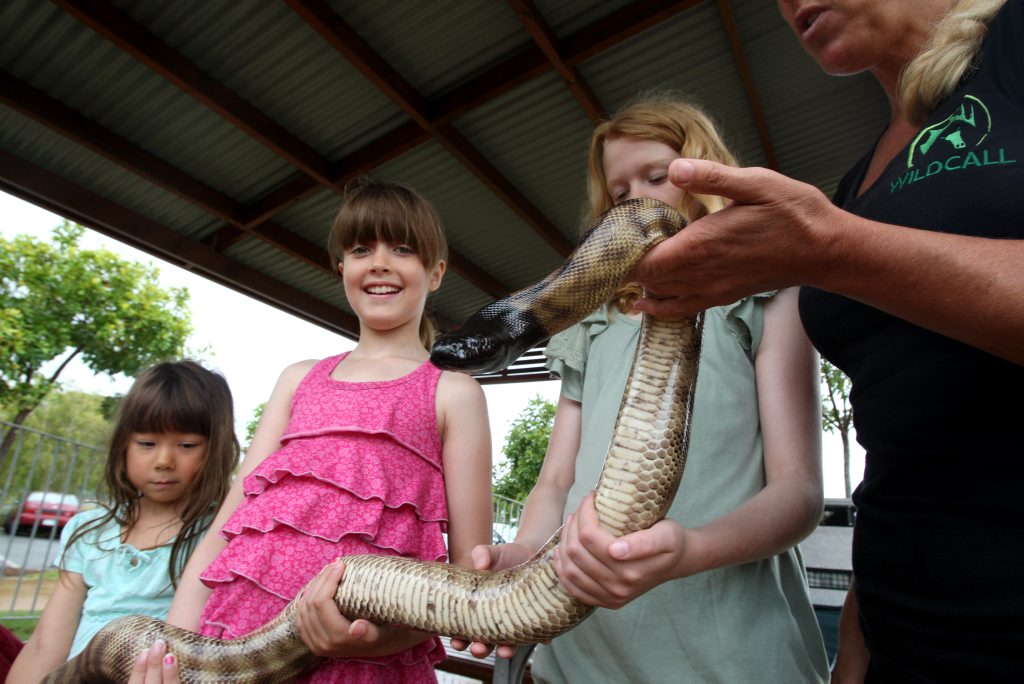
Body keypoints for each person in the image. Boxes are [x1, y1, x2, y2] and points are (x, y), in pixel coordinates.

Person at [619, 2, 1024, 681]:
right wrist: (855, 650)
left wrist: (832, 249)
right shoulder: (856, 184)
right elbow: (902, 431)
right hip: (906, 642)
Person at [462, 97, 830, 683]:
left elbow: (799, 493)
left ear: (702, 176)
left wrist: (691, 550)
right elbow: (557, 477)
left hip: (728, 655)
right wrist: (525, 552)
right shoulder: (593, 322)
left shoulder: (765, 295)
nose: (636, 199)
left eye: (657, 177)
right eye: (619, 192)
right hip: (584, 657)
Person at [166, 178, 493, 683]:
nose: (380, 262)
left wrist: (381, 638)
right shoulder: (298, 380)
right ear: (342, 267)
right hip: (236, 652)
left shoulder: (453, 393)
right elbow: (228, 529)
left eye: (402, 249)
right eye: (362, 248)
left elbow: (466, 586)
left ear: (435, 272)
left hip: (364, 667)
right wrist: (175, 654)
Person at [7, 360, 239, 683]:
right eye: (146, 443)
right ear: (123, 445)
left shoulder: (220, 539)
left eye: (187, 445)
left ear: (216, 449)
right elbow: (45, 646)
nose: (163, 461)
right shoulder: (88, 532)